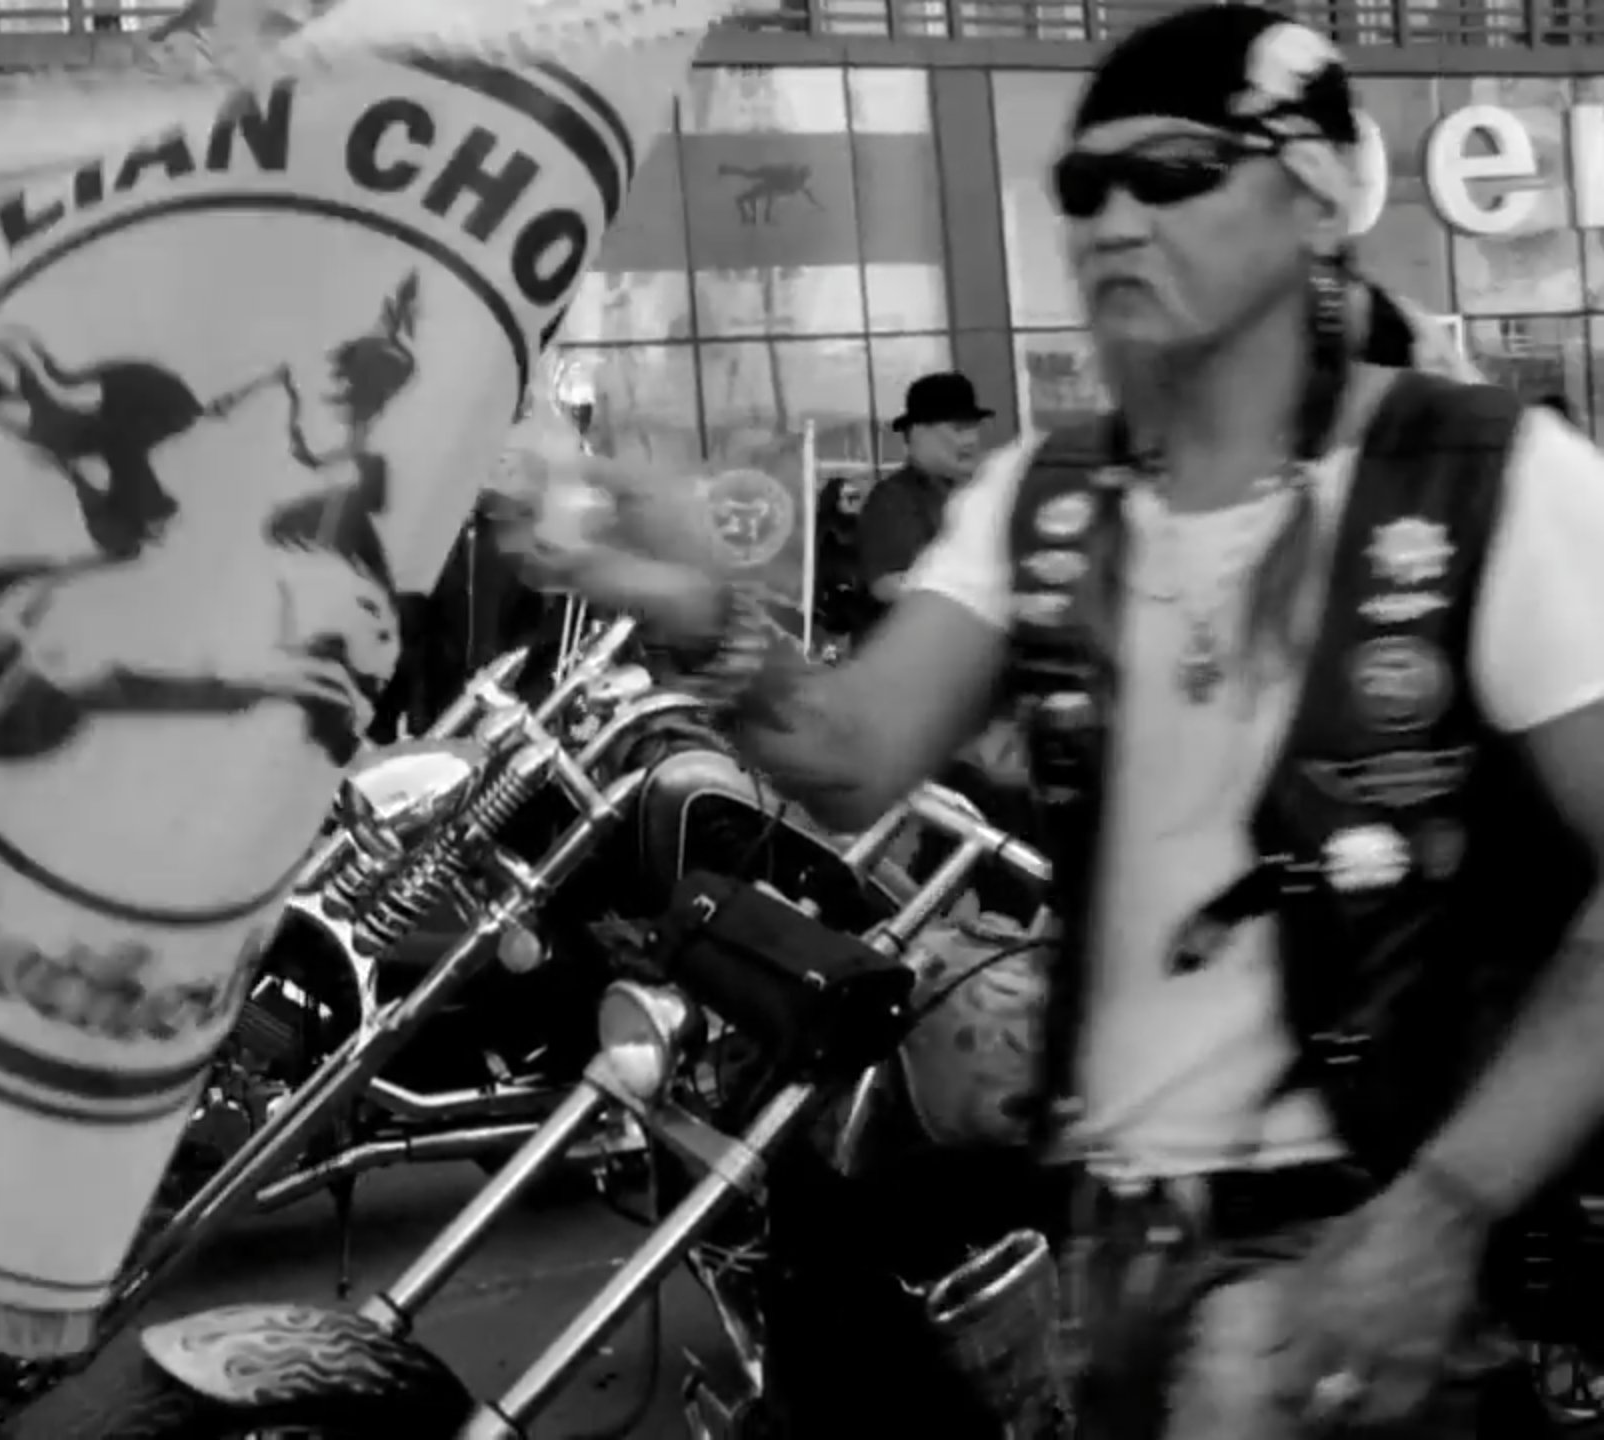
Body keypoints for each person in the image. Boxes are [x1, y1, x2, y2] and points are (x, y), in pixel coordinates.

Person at [511, 8, 1604, 1437]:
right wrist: (698, 607)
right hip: (1118, 1254)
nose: (1113, 221)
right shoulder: (1047, 497)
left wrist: (1442, 1209)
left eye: (1174, 173)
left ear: (1314, 195)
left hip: (1351, 1264)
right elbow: (847, 754)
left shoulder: (1488, 481)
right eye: (1084, 187)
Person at [849, 371, 991, 640]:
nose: (971, 440)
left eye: (973, 427)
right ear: (917, 434)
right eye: (958, 429)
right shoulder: (893, 499)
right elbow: (889, 585)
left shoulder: (982, 492)